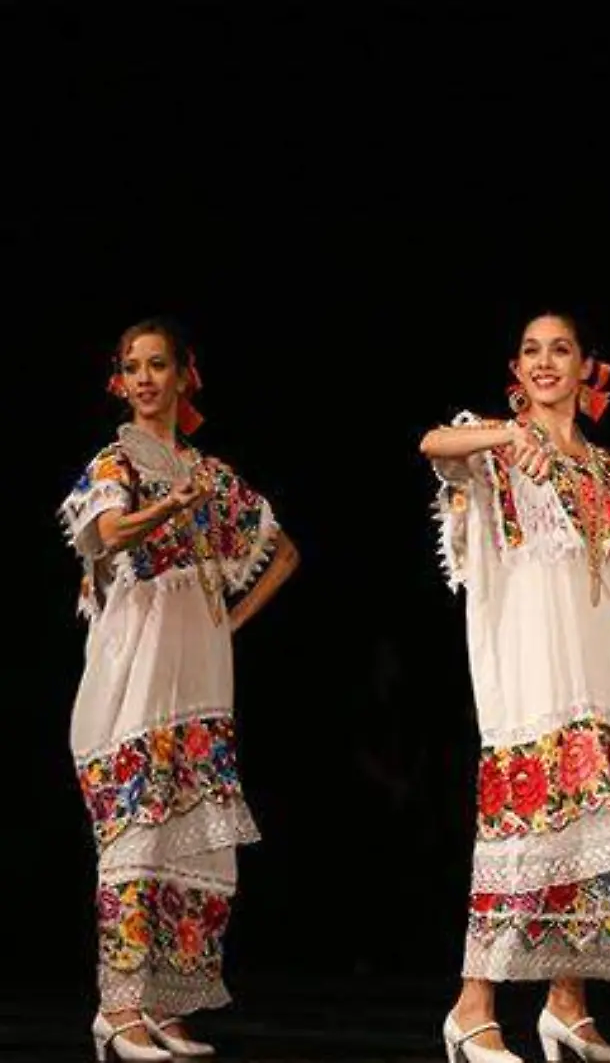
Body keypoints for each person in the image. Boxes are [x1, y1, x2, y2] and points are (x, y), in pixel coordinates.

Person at [421, 312, 610, 1063]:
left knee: (590, 846)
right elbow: (432, 446)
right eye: (532, 352)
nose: (546, 363)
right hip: (528, 671)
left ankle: (567, 1010)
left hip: (601, 678)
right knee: (524, 832)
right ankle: (472, 1006)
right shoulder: (495, 448)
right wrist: (506, 436)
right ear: (517, 369)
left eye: (561, 350)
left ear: (587, 368)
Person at [62, 319, 299, 1061]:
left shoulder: (212, 474)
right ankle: (119, 1009)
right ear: (118, 380)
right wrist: (164, 509)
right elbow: (103, 533)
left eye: (157, 365)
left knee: (188, 839)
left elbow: (285, 552)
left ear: (184, 374)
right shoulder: (116, 461)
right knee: (135, 832)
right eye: (131, 367)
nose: (144, 379)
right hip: (135, 672)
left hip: (198, 673)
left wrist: (230, 616)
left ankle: (163, 1007)